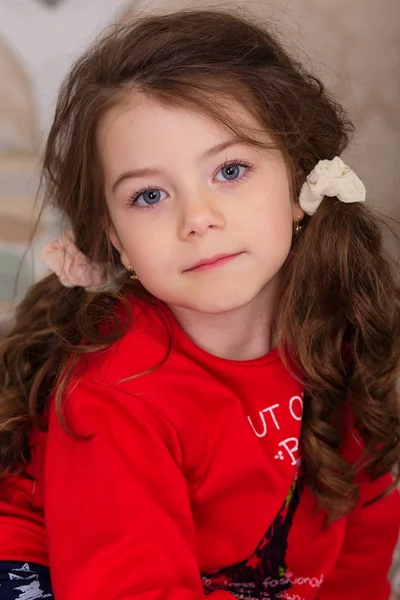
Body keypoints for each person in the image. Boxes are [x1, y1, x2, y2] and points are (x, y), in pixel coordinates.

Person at [0, 8, 399, 600]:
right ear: (116, 239)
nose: (198, 220)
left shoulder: (338, 329)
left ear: (298, 182)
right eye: (150, 195)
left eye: (230, 169)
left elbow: (358, 553)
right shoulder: (115, 392)